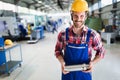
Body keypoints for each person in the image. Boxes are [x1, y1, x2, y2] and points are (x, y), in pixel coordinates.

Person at [54, 0, 105, 80]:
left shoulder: (92, 35)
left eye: (81, 16)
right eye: (75, 16)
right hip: (67, 74)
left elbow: (101, 51)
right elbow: (57, 51)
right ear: (71, 15)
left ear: (85, 16)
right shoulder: (63, 34)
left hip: (84, 75)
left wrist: (92, 63)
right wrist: (62, 62)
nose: (78, 19)